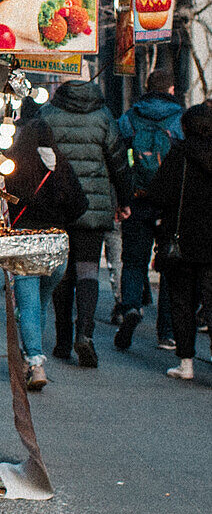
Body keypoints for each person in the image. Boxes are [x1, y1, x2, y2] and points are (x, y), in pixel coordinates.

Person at [38, 80, 133, 368]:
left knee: (62, 273)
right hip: (93, 207)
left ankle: (63, 340)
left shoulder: (48, 115)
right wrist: (124, 200)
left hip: (58, 206)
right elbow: (118, 162)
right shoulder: (104, 117)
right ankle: (86, 334)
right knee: (89, 271)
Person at [5, 118, 88, 389]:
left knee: (28, 306)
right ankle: (32, 357)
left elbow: (2, 199)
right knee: (39, 305)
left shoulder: (16, 165)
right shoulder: (62, 165)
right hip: (56, 246)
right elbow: (81, 204)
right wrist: (60, 221)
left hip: (26, 242)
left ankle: (35, 362)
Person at [114, 68, 184, 351]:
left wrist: (122, 199)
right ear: (171, 90)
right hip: (170, 205)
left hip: (137, 199)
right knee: (170, 265)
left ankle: (131, 308)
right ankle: (167, 331)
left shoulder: (130, 117)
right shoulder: (181, 119)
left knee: (133, 261)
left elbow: (118, 157)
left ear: (146, 87)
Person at [147, 102, 212, 380]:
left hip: (181, 239)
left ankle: (186, 363)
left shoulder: (180, 155)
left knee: (182, 301)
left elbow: (159, 194)